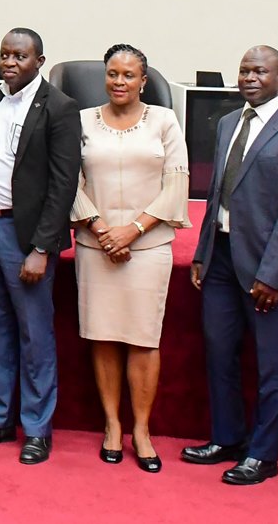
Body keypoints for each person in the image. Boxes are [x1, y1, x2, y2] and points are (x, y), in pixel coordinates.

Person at [184, 46, 278, 484]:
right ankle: (227, 438)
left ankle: (263, 455)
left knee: (270, 365)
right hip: (222, 259)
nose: (249, 77)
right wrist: (203, 253)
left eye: (259, 71)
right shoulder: (228, 122)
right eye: (244, 70)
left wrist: (273, 275)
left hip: (269, 268)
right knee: (219, 353)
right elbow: (217, 198)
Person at [0, 29, 81, 465]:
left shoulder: (61, 109)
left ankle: (36, 428)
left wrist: (43, 248)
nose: (10, 62)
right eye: (5, 54)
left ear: (40, 60)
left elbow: (63, 184)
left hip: (24, 236)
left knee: (34, 336)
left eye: (20, 55)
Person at [71, 44, 189, 472]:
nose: (119, 81)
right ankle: (112, 425)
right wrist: (102, 230)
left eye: (128, 75)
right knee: (102, 335)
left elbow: (176, 185)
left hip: (148, 246)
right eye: (112, 73)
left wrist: (132, 230)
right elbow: (69, 181)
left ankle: (141, 429)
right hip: (95, 244)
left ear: (144, 80)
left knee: (142, 339)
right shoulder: (82, 120)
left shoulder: (164, 120)